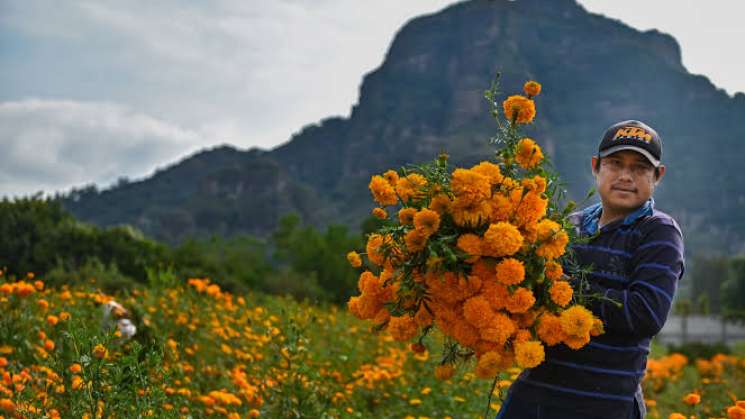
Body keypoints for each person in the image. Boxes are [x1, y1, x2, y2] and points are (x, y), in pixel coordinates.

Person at [496, 120, 685, 419]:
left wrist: (564, 290)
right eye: (615, 163)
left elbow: (645, 314)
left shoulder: (658, 232)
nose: (625, 176)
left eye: (639, 167)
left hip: (604, 404)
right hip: (533, 398)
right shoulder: (567, 226)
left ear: (657, 175)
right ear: (596, 167)